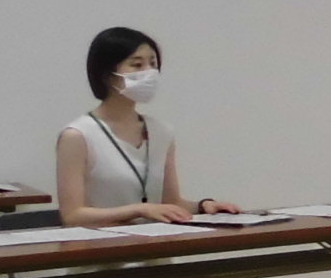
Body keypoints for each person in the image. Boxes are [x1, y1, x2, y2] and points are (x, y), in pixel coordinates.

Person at [55, 27, 239, 226]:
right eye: (137, 64)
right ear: (107, 75)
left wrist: (205, 206)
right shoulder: (77, 136)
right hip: (103, 243)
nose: (149, 72)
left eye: (153, 64)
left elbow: (170, 202)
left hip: (154, 243)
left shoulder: (161, 132)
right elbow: (73, 216)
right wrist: (139, 209)